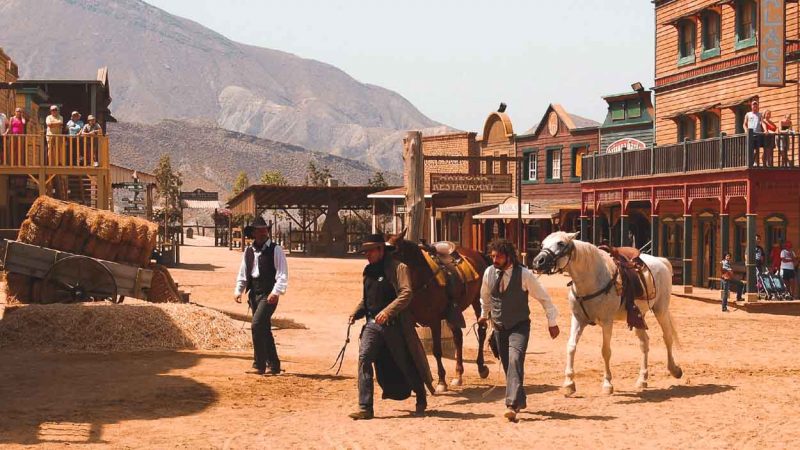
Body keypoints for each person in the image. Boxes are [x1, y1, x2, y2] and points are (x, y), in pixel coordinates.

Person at [347, 234, 433, 420]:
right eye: (365, 251)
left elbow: (406, 293)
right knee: (364, 358)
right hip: (372, 325)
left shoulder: (399, 268)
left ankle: (420, 395)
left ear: (381, 250)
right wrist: (357, 312)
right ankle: (365, 407)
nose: (367, 255)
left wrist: (388, 311)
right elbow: (368, 298)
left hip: (394, 325)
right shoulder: (368, 271)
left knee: (405, 361)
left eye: (370, 251)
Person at [478, 239, 559, 422]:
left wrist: (552, 322)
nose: (495, 260)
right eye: (493, 256)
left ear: (508, 256)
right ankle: (520, 400)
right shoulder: (489, 273)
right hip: (499, 327)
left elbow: (544, 297)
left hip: (519, 326)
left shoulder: (524, 274)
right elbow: (485, 296)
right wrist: (484, 314)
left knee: (515, 360)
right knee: (509, 367)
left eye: (498, 257)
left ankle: (511, 405)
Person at [233, 217, 288, 375]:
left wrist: (276, 292)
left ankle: (259, 364)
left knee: (257, 325)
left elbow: (282, 274)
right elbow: (244, 273)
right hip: (254, 293)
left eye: (265, 229)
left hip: (268, 293)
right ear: (254, 233)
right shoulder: (249, 251)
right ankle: (274, 365)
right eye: (259, 230)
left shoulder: (276, 250)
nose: (263, 232)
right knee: (264, 328)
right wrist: (239, 290)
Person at [743, 100, 763, 166]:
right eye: (753, 105)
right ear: (751, 106)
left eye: (756, 105)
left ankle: (755, 162)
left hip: (758, 134)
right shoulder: (748, 114)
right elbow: (744, 124)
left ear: (757, 106)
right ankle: (750, 162)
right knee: (750, 149)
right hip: (750, 134)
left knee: (757, 149)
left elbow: (763, 123)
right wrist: (746, 130)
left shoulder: (760, 114)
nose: (755, 106)